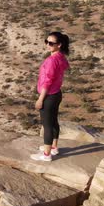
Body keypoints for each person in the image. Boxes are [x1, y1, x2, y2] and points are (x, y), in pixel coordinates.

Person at [31, 32, 70, 162]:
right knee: (53, 122)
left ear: (59, 45)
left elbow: (47, 81)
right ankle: (53, 147)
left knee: (47, 125)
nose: (48, 45)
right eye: (46, 41)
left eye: (51, 43)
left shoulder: (51, 60)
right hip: (57, 93)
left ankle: (47, 155)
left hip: (48, 95)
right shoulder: (61, 57)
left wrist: (40, 99)